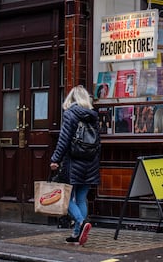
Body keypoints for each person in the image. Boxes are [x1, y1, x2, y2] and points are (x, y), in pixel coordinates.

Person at [50, 85, 100, 245]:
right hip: (90, 164)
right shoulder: (93, 116)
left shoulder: (70, 114)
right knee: (80, 198)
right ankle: (77, 234)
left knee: (65, 198)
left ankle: (81, 221)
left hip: (73, 163)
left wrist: (55, 159)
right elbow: (98, 143)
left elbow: (64, 140)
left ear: (70, 99)